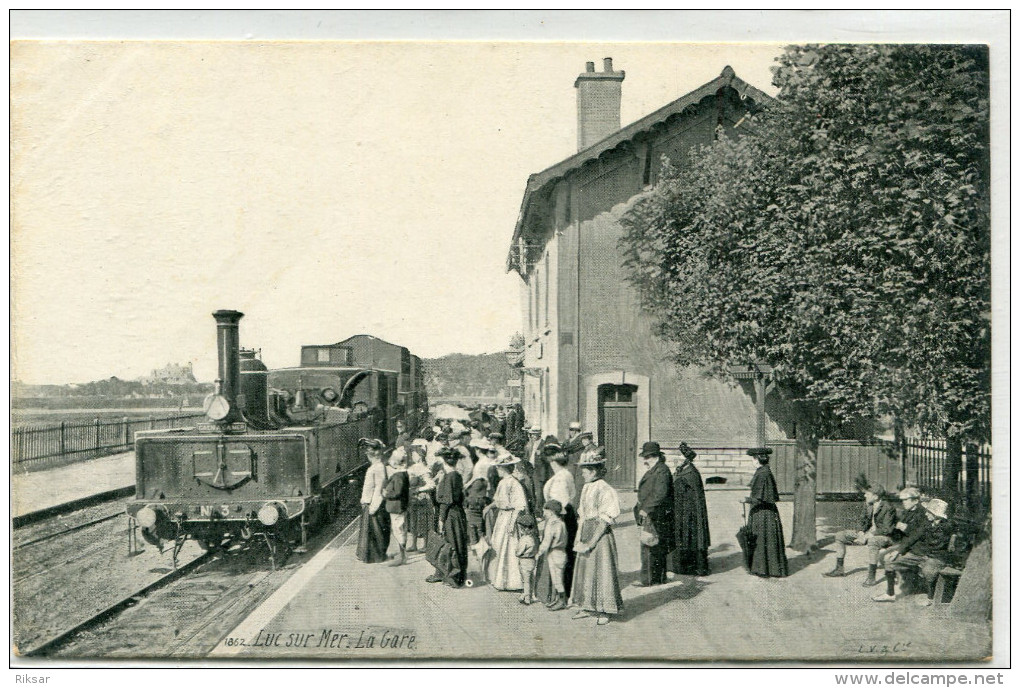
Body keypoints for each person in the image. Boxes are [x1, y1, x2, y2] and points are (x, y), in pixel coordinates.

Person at [570, 453, 624, 625]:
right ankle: (588, 606)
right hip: (586, 529)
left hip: (599, 536)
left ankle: (604, 610)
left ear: (594, 471)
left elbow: (605, 520)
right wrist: (579, 538)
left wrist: (591, 542)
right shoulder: (587, 487)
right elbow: (583, 515)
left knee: (602, 570)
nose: (583, 473)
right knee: (586, 570)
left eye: (585, 470)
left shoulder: (605, 489)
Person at [872, 491, 954, 605]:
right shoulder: (927, 523)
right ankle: (890, 594)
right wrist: (898, 551)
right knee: (890, 561)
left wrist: (924, 557)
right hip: (921, 554)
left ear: (936, 515)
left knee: (928, 570)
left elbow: (938, 545)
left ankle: (930, 598)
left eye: (929, 513)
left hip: (936, 557)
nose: (926, 514)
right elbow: (913, 537)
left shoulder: (946, 527)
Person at [824, 475, 896, 583]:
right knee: (840, 536)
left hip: (885, 537)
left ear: (876, 496)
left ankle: (871, 577)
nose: (864, 495)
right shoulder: (868, 505)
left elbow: (887, 529)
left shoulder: (888, 507)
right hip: (868, 534)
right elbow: (862, 521)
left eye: (867, 493)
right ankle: (839, 569)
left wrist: (869, 535)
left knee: (873, 541)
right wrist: (861, 532)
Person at [426, 447, 469, 588]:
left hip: (450, 515)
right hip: (457, 513)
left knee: (450, 544)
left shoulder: (449, 477)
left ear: (443, 460)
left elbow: (446, 500)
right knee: (453, 543)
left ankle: (453, 577)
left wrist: (441, 519)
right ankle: (444, 573)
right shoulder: (455, 475)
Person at [634, 441, 676, 586]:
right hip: (653, 514)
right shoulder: (656, 469)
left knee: (652, 547)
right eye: (644, 458)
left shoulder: (662, 471)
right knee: (653, 547)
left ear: (655, 457)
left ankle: (651, 580)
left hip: (656, 515)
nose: (645, 461)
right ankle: (655, 579)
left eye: (647, 457)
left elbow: (660, 494)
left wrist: (646, 509)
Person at [485, 454, 528, 591]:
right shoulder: (502, 482)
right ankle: (498, 579)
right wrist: (489, 507)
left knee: (509, 547)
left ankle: (511, 582)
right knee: (498, 545)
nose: (497, 469)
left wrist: (512, 523)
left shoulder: (513, 483)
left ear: (503, 468)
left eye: (499, 467)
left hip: (510, 517)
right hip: (502, 516)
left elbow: (520, 505)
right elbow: (498, 500)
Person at [745, 447, 789, 578]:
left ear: (757, 459)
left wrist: (745, 500)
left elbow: (759, 498)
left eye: (753, 458)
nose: (752, 461)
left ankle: (764, 569)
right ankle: (767, 568)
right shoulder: (764, 471)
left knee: (762, 538)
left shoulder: (763, 474)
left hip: (763, 513)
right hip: (766, 512)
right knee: (765, 539)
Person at [541, 442, 578, 597]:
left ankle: (561, 593)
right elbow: (573, 494)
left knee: (559, 553)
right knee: (565, 553)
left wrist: (552, 518)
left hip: (560, 516)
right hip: (565, 514)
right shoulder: (566, 474)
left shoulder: (560, 479)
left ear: (552, 461)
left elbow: (560, 502)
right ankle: (562, 590)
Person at [672, 442, 711, 576]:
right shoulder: (685, 470)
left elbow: (682, 491)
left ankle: (690, 567)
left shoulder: (689, 473)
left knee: (689, 537)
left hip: (689, 512)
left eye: (677, 457)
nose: (675, 459)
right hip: (686, 510)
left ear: (684, 459)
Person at [355, 438, 391, 564]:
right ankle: (371, 556)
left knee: (376, 532)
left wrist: (373, 507)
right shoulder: (375, 466)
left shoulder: (379, 467)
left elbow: (379, 488)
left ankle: (377, 556)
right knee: (372, 532)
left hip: (375, 505)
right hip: (369, 503)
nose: (367, 456)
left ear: (373, 455)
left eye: (368, 454)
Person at [537, 499, 569, 611]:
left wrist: (539, 553)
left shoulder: (552, 524)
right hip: (560, 552)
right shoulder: (561, 523)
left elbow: (546, 542)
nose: (544, 513)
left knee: (557, 579)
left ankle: (562, 601)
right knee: (557, 578)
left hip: (555, 553)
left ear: (550, 512)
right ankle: (557, 599)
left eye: (545, 511)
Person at [405, 441, 436, 552]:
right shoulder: (413, 467)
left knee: (423, 522)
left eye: (414, 454)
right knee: (413, 522)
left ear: (420, 456)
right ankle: (413, 544)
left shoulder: (423, 468)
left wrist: (419, 489)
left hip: (422, 499)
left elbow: (431, 484)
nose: (412, 456)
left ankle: (425, 545)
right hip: (413, 499)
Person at [382, 447, 411, 566]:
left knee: (398, 530)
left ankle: (403, 557)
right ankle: (402, 555)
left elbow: (398, 492)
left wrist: (387, 494)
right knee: (400, 530)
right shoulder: (401, 474)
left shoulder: (398, 475)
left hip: (397, 507)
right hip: (398, 506)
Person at [515, 512, 540, 605]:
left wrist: (517, 552)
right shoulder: (534, 538)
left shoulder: (524, 539)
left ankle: (527, 598)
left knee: (525, 580)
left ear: (523, 529)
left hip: (524, 560)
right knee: (531, 579)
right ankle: (531, 595)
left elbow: (519, 552)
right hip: (532, 560)